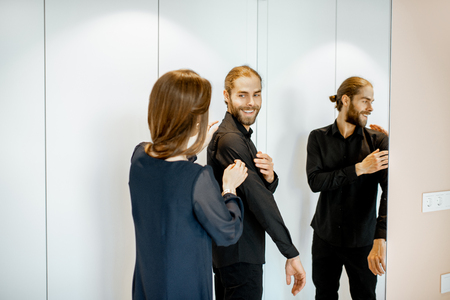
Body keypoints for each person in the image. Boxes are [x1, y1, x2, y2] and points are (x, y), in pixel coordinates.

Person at [129, 69, 248, 300]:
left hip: (148, 284)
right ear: (194, 123)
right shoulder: (198, 178)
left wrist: (194, 146)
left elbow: (170, 173)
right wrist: (229, 189)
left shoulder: (139, 157)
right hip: (185, 288)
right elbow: (228, 232)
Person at [207, 65, 306, 299]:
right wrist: (290, 252)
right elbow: (259, 199)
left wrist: (270, 178)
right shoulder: (231, 139)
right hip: (239, 255)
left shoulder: (238, 136)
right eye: (242, 95)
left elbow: (252, 189)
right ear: (226, 96)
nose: (251, 102)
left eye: (256, 94)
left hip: (231, 254)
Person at [306, 76, 388, 300]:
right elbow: (315, 182)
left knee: (365, 296)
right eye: (365, 101)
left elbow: (391, 192)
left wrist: (380, 238)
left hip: (363, 241)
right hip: (325, 236)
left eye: (372, 102)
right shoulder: (317, 138)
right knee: (324, 294)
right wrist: (359, 168)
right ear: (345, 100)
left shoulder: (378, 141)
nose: (370, 108)